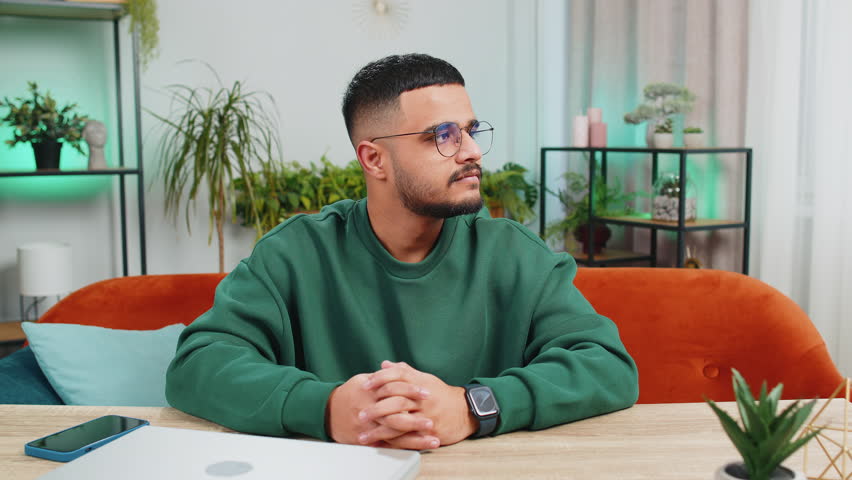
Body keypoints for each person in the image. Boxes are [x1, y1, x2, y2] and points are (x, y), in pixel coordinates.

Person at [166, 53, 639, 451]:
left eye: (472, 130)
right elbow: (198, 365)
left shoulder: (515, 255)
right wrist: (328, 409)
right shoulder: (294, 253)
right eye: (443, 135)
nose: (472, 150)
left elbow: (607, 365)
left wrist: (473, 407)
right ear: (374, 159)